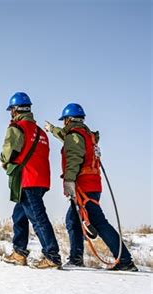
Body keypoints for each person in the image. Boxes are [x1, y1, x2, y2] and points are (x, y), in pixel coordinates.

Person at [45, 103, 137, 271]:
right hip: (92, 184)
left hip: (83, 186)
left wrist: (69, 182)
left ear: (68, 120)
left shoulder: (75, 136)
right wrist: (52, 129)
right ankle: (76, 258)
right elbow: (67, 138)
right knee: (73, 220)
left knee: (98, 222)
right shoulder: (85, 135)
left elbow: (73, 158)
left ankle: (125, 260)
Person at [0, 92, 62, 269]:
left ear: (14, 109)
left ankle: (52, 256)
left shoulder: (17, 127)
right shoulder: (40, 132)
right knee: (19, 215)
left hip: (27, 180)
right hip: (41, 180)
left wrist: (3, 162)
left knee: (38, 218)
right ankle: (19, 253)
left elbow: (9, 151)